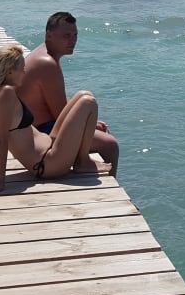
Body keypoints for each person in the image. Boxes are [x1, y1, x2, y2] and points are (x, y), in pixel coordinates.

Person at [0, 44, 108, 194]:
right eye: (21, 68)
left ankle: (82, 160)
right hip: (48, 163)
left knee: (84, 94)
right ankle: (83, 162)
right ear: (10, 72)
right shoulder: (5, 94)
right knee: (88, 102)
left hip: (51, 147)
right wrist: (0, 182)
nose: (24, 71)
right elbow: (0, 139)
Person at [19, 12, 120, 175]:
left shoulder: (43, 54)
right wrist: (90, 124)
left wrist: (90, 122)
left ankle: (83, 161)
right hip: (41, 133)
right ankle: (93, 171)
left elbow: (56, 100)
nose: (72, 40)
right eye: (66, 35)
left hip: (38, 127)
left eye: (75, 35)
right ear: (49, 35)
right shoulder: (47, 64)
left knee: (84, 97)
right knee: (110, 144)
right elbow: (59, 114)